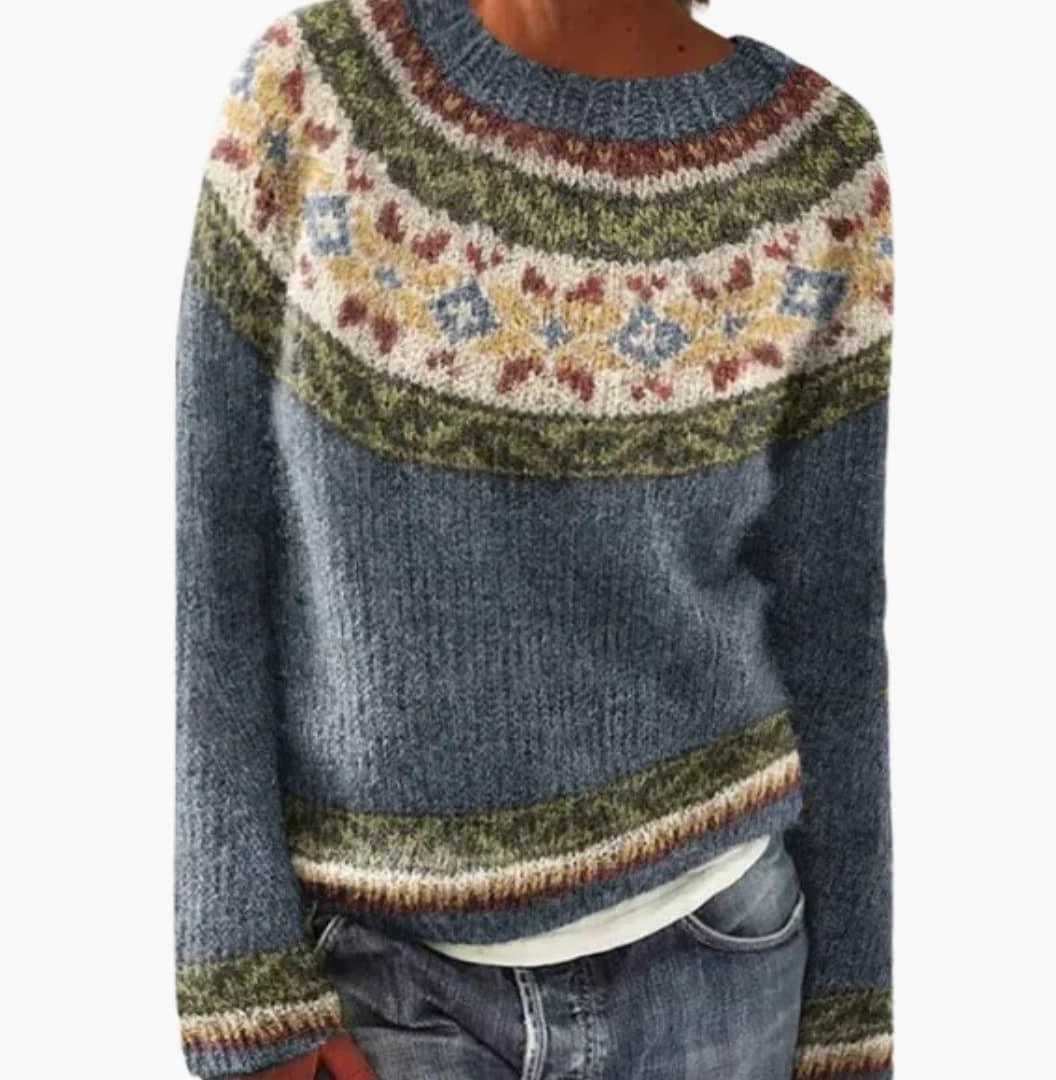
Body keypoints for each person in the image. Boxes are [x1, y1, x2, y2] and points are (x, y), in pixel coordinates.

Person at [173, 1, 895, 1077]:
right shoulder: (317, 89)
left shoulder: (818, 162)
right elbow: (215, 553)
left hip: (722, 963)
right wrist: (241, 984)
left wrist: (852, 1021)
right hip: (383, 983)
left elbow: (832, 615)